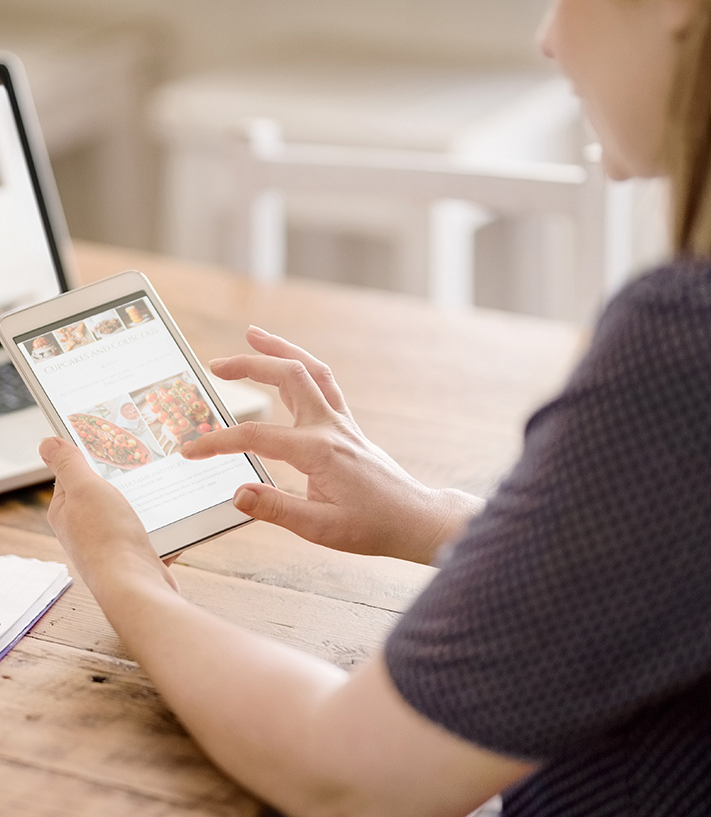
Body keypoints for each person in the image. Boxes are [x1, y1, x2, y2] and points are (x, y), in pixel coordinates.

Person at [37, 0, 711, 814]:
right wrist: (430, 517)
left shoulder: (680, 345)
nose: (549, 36)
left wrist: (122, 570)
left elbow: (346, 774)